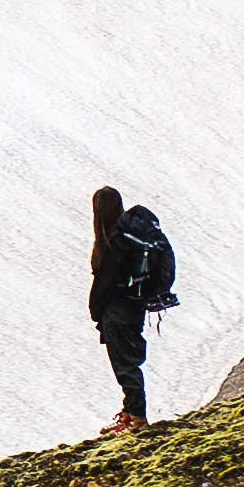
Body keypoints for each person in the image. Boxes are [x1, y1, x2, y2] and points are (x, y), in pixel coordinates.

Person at [88, 183, 177, 433]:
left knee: (124, 365)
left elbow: (103, 281)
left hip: (117, 309)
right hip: (135, 305)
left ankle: (136, 417)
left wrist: (96, 312)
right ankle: (130, 412)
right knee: (129, 360)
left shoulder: (112, 239)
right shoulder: (130, 236)